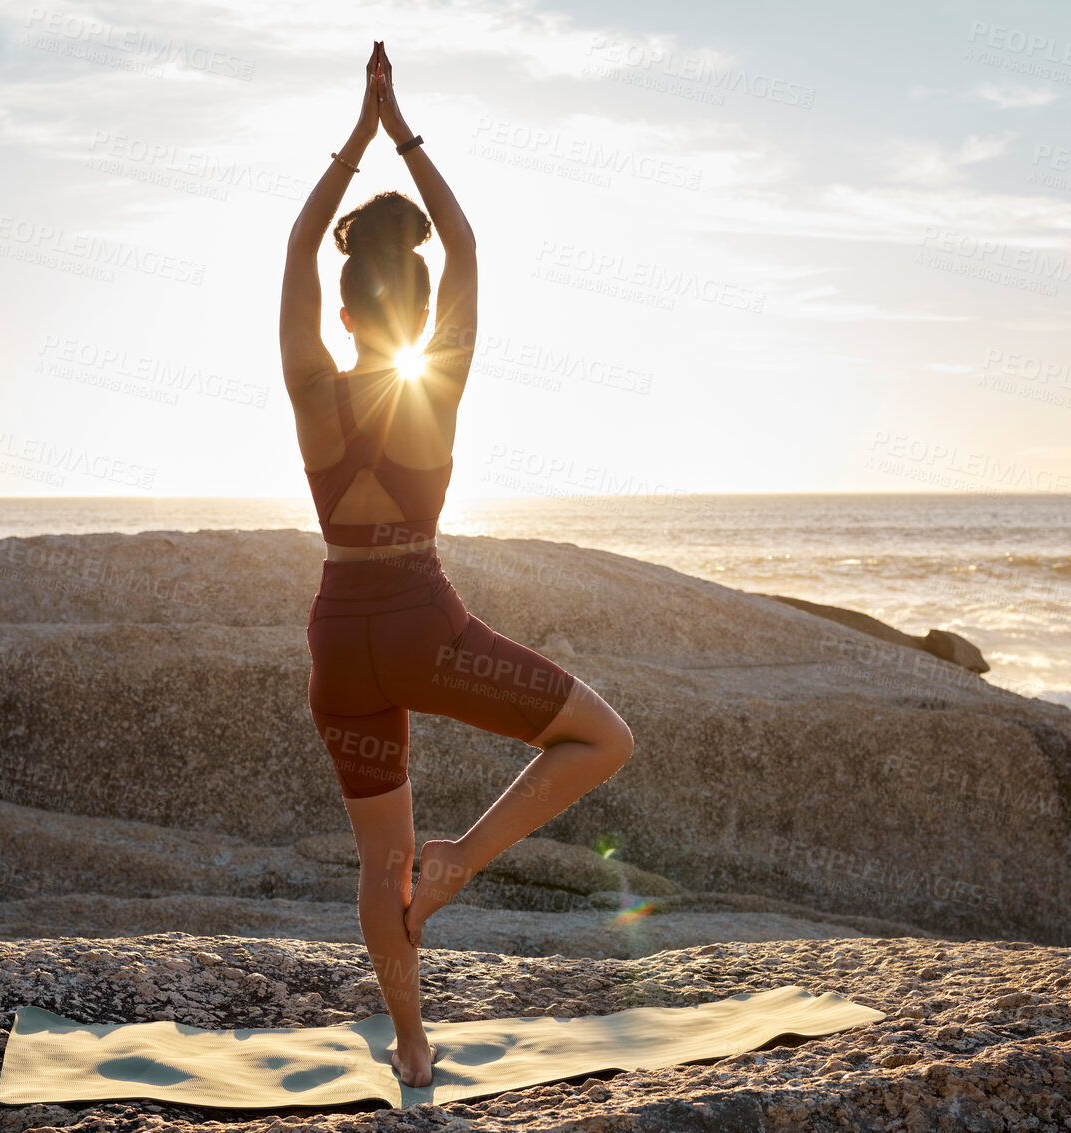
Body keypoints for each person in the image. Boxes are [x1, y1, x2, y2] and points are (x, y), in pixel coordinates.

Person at [278, 41, 634, 1088]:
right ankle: (456, 868)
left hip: (339, 636)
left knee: (371, 863)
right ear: (424, 315)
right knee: (601, 737)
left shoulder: (309, 385)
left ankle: (412, 1043)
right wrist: (403, 134)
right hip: (429, 634)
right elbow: (466, 241)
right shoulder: (440, 374)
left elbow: (299, 247)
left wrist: (352, 140)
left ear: (344, 314)